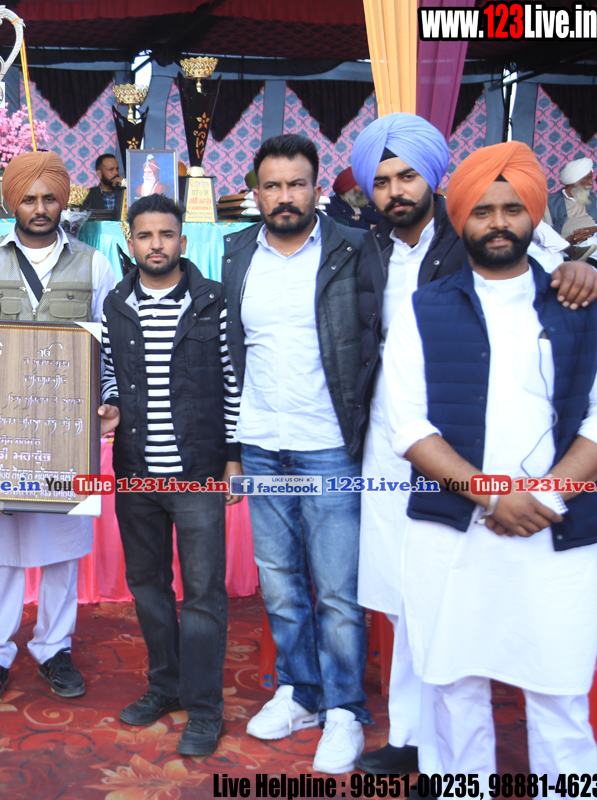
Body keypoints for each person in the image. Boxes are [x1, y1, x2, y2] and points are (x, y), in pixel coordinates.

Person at [347, 113, 597, 776]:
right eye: (482, 211)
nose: (497, 223)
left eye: (512, 209)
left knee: (559, 690)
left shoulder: (575, 302)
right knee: (451, 681)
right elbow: (406, 421)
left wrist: (543, 497)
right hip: (445, 513)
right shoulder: (414, 297)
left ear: (534, 215)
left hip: (554, 523)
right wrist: (493, 495)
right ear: (461, 217)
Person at [0, 150, 116, 709]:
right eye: (28, 199)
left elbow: (114, 345)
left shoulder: (94, 264)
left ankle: (53, 648)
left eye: (49, 199)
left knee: (63, 549)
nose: (40, 209)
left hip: (67, 432)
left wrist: (110, 400)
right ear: (11, 203)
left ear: (62, 201)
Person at [220, 133, 369, 774]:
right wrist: (232, 448)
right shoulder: (236, 253)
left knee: (337, 591)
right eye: (273, 185)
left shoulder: (354, 248)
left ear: (316, 188)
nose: (285, 196)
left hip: (329, 445)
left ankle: (346, 710)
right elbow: (231, 356)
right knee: (280, 583)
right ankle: (300, 693)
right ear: (255, 193)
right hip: (261, 444)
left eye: (297, 184)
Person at [97, 193, 239, 756]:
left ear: (182, 238)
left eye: (166, 234)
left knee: (203, 593)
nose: (156, 244)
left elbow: (232, 379)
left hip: (198, 471)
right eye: (145, 235)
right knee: (149, 587)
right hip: (135, 473)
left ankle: (204, 708)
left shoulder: (213, 301)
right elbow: (107, 369)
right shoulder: (115, 304)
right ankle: (166, 686)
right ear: (130, 241)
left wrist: (233, 457)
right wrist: (110, 403)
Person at [546, 157, 597, 298]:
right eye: (587, 179)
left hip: (596, 239)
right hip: (572, 246)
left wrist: (593, 229)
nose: (591, 183)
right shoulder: (550, 201)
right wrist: (569, 240)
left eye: (591, 179)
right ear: (575, 180)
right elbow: (546, 232)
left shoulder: (594, 198)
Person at [324, 166, 381, 231]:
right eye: (359, 184)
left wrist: (360, 216)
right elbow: (343, 223)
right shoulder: (331, 203)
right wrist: (370, 226)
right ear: (347, 187)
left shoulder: (367, 201)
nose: (363, 188)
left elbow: (382, 219)